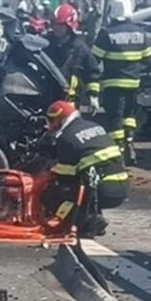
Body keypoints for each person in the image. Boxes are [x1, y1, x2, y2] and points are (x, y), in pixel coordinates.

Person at [39, 100, 129, 238]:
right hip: (121, 185)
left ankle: (87, 223)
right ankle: (94, 218)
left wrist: (49, 171)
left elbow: (65, 177)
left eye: (51, 120)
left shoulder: (66, 138)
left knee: (51, 196)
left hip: (103, 190)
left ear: (59, 119)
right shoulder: (94, 126)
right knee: (86, 180)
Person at [92, 0, 151, 164]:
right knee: (129, 116)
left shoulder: (106, 33)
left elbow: (94, 59)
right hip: (134, 83)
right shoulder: (140, 33)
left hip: (113, 84)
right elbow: (148, 59)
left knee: (115, 118)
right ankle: (130, 142)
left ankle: (117, 152)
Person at [46, 3, 101, 107]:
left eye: (60, 25)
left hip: (70, 102)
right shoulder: (45, 45)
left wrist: (93, 95)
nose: (56, 28)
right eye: (55, 24)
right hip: (47, 100)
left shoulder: (81, 49)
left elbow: (93, 73)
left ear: (69, 25)